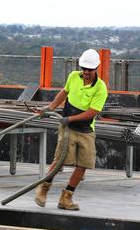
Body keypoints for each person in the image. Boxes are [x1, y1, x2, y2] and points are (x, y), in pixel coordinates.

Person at [35, 49, 108, 211]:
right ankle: (43, 189)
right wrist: (50, 107)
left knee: (83, 165)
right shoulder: (74, 77)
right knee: (60, 160)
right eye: (84, 68)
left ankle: (66, 197)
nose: (86, 72)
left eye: (90, 69)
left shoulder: (101, 88)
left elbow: (92, 112)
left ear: (97, 68)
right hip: (67, 128)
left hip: (85, 129)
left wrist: (70, 118)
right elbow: (64, 92)